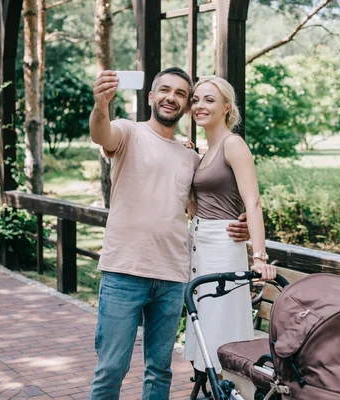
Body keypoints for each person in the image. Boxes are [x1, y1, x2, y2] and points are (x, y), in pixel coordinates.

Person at [88, 67, 250, 400]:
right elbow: (101, 135)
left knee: (159, 371)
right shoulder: (128, 132)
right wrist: (101, 105)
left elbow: (206, 202)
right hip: (124, 272)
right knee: (111, 369)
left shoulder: (191, 156)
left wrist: (242, 220)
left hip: (172, 277)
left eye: (180, 94)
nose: (171, 97)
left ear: (186, 106)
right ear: (151, 96)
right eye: (164, 90)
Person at [184, 77, 276, 375]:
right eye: (196, 99)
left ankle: (234, 389)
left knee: (223, 326)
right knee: (204, 326)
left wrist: (260, 257)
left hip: (224, 247)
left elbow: (254, 203)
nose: (200, 105)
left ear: (226, 107)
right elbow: (194, 204)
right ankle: (214, 387)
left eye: (209, 100)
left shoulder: (233, 144)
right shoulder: (202, 153)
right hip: (199, 246)